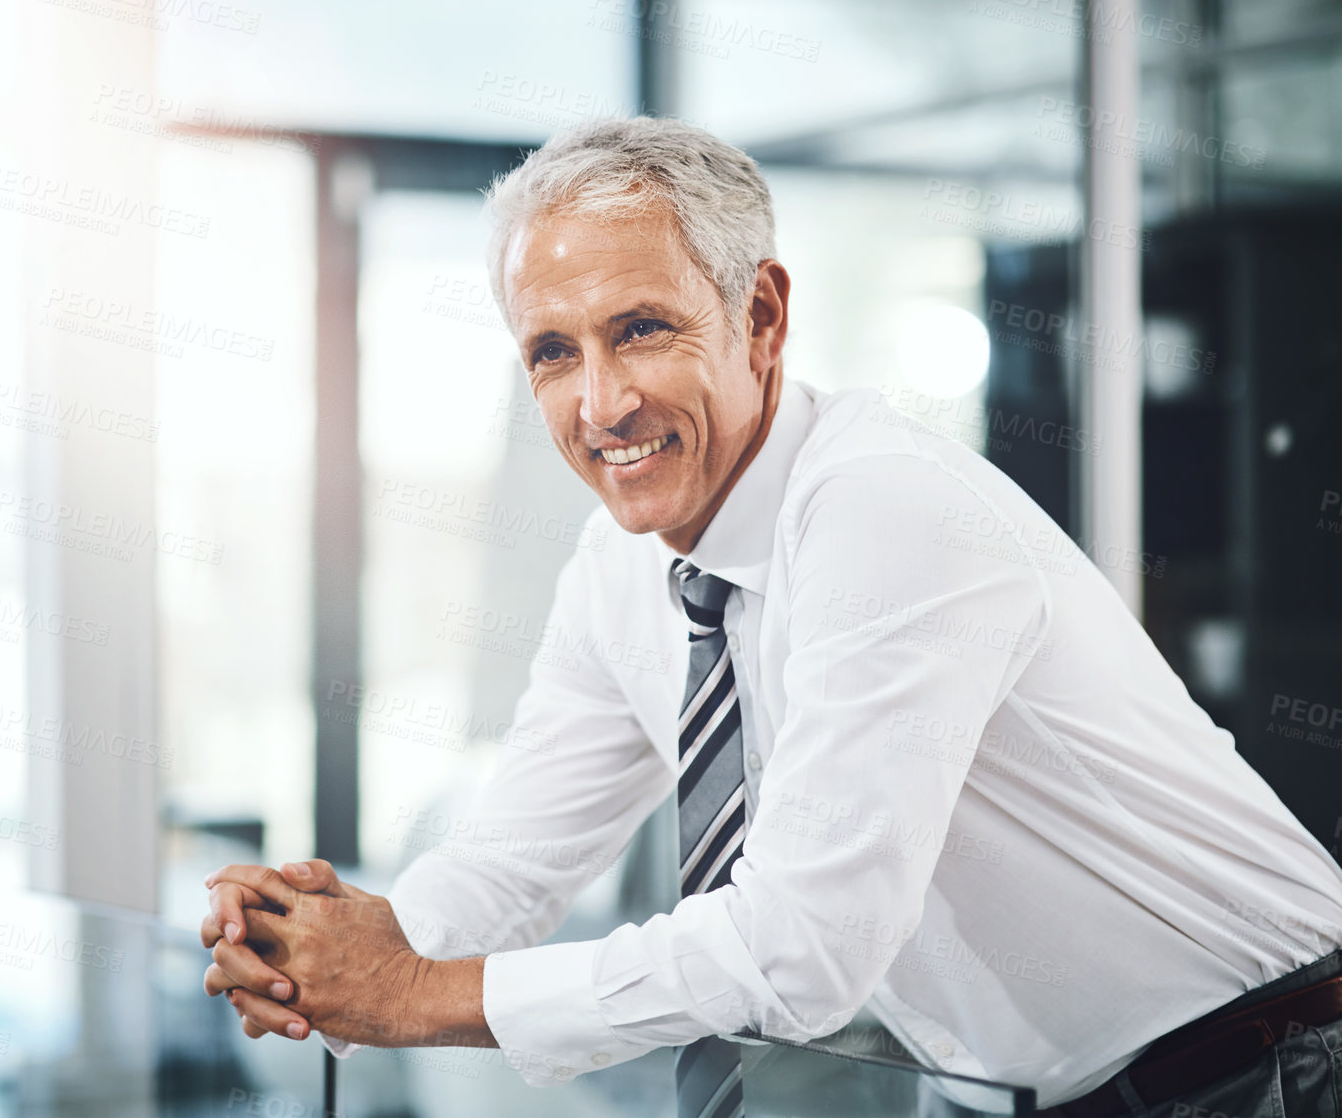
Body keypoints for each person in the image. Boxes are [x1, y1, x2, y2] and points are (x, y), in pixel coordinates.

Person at [200, 117, 1342, 1117]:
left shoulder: (881, 510)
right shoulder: (620, 565)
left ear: (759, 314)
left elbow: (800, 953)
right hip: (1008, 1089)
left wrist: (416, 993)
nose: (601, 404)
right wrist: (324, 950)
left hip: (1267, 1066)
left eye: (639, 329)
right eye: (554, 351)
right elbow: (513, 858)